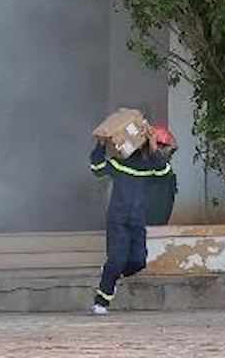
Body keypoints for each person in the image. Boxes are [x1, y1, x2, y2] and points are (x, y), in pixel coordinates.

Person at [88, 127, 173, 315]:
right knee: (117, 259)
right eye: (159, 144)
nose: (161, 149)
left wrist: (153, 149)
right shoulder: (122, 164)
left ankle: (111, 272)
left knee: (138, 261)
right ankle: (101, 302)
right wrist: (101, 145)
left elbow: (165, 174)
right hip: (118, 220)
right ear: (144, 144)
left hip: (137, 222)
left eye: (163, 146)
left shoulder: (154, 169)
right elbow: (97, 168)